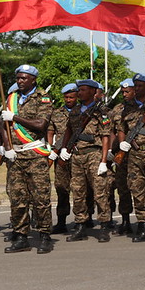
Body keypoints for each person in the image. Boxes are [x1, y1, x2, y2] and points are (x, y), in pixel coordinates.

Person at [0, 64, 54, 254]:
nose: (20, 81)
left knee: (40, 198)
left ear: (33, 80)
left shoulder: (43, 98)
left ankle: (45, 235)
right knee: (17, 198)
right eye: (18, 78)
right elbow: (2, 127)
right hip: (16, 156)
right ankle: (21, 236)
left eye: (24, 78)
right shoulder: (11, 98)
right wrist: (7, 148)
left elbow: (41, 124)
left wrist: (15, 116)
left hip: (34, 155)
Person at [60, 80, 113, 242]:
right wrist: (64, 148)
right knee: (77, 191)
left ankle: (104, 225)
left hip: (94, 154)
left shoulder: (101, 111)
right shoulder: (75, 110)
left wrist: (104, 160)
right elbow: (69, 130)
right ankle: (81, 224)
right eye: (79, 90)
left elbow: (105, 136)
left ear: (92, 91)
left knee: (100, 191)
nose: (79, 93)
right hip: (77, 155)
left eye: (83, 90)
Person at [117, 73, 145, 242]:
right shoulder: (128, 107)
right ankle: (144, 225)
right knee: (137, 190)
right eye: (136, 85)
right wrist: (122, 144)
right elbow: (121, 128)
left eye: (140, 86)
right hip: (134, 154)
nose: (137, 88)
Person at [47, 83, 78, 234]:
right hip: (60, 155)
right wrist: (50, 146)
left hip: (79, 154)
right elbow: (51, 131)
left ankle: (83, 220)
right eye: (66, 97)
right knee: (61, 188)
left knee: (81, 188)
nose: (68, 99)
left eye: (71, 97)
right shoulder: (56, 112)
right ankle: (61, 221)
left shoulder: (83, 112)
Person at [110, 79, 134, 235]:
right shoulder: (118, 109)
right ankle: (125, 221)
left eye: (127, 91)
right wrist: (112, 151)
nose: (124, 94)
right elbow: (112, 130)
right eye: (123, 92)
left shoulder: (144, 108)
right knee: (123, 188)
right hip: (122, 155)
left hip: (142, 154)